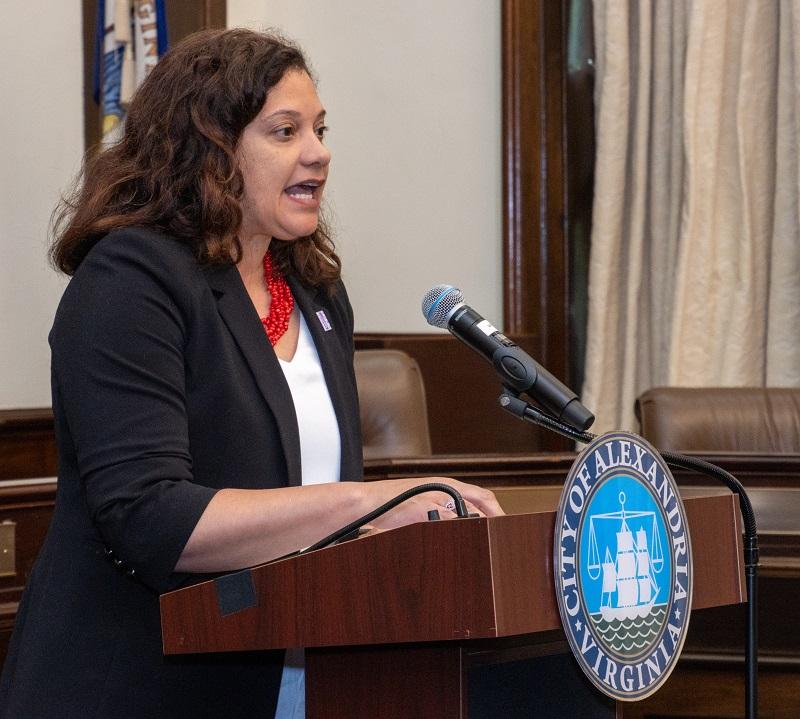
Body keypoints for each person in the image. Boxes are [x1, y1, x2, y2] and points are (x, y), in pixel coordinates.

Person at [0, 28, 503, 719]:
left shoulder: (314, 290)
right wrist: (372, 504)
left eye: (320, 128)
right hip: (141, 687)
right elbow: (152, 517)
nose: (319, 152)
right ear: (209, 147)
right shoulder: (130, 281)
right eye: (285, 130)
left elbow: (306, 507)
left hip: (307, 683)